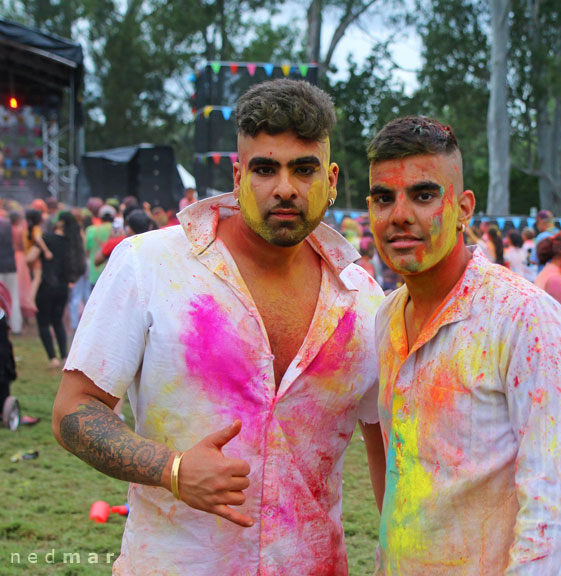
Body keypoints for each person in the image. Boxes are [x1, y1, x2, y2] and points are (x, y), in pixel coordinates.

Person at [52, 79, 386, 575]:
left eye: (304, 169)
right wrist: (173, 470)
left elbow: (387, 448)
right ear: (237, 175)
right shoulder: (149, 265)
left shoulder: (362, 299)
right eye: (265, 169)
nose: (285, 187)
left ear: (332, 179)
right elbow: (73, 410)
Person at [366, 116, 561, 574]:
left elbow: (554, 511)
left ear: (464, 207)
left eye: (424, 195)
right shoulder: (385, 317)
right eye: (384, 198)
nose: (400, 214)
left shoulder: (526, 318)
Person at [28, 212, 86, 368]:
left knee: (44, 323)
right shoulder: (72, 242)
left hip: (46, 286)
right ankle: (64, 356)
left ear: (60, 222)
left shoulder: (47, 239)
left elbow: (30, 258)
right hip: (63, 287)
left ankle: (52, 358)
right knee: (58, 321)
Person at [84, 204, 114, 291]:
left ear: (100, 216)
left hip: (95, 273)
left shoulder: (91, 230)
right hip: (112, 275)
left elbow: (87, 250)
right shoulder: (118, 231)